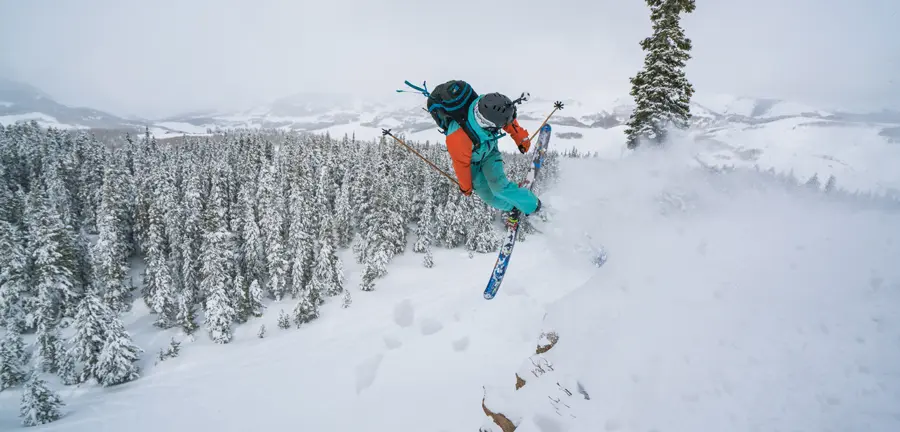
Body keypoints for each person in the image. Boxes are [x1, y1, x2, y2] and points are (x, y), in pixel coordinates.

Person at [441, 89, 542, 227]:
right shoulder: (458, 138)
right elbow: (461, 165)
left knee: (499, 187)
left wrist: (520, 138)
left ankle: (534, 206)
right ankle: (513, 206)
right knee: (488, 196)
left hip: (489, 153)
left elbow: (508, 120)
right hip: (471, 165)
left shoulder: (489, 107)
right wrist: (466, 187)